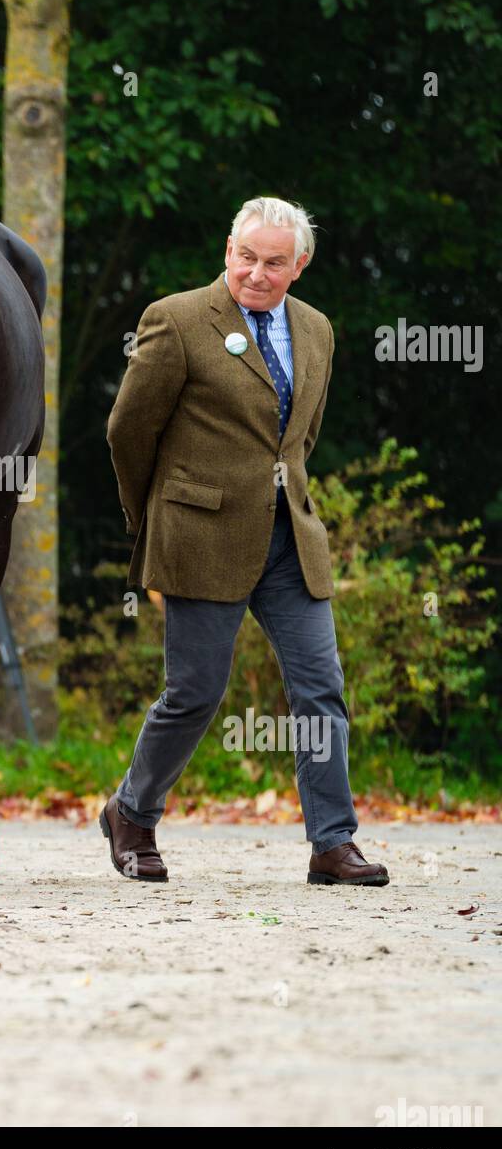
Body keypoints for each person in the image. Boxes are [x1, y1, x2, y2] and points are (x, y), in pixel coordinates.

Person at [104, 196, 389, 888]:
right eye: (245, 258)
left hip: (291, 538)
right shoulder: (175, 321)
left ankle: (332, 843)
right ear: (227, 251)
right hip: (199, 536)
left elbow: (302, 434)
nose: (255, 274)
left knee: (321, 690)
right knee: (195, 692)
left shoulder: (317, 330)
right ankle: (133, 815)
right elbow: (127, 434)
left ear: (300, 265)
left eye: (273, 262)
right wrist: (156, 532)